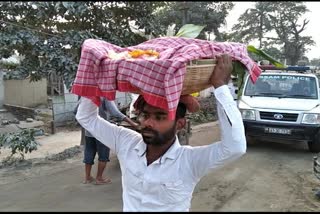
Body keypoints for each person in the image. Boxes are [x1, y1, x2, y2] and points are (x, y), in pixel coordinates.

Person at [76, 54, 246, 211]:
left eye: (160, 117)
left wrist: (220, 87)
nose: (148, 123)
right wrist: (96, 81)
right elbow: (86, 118)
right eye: (145, 115)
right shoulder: (126, 142)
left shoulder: (189, 161)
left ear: (180, 124)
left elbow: (235, 147)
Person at [81, 97, 138, 185]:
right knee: (103, 154)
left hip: (89, 131)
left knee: (89, 152)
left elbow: (76, 110)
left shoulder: (85, 95)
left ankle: (87, 178)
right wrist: (132, 123)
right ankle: (99, 178)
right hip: (102, 131)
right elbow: (114, 112)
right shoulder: (104, 95)